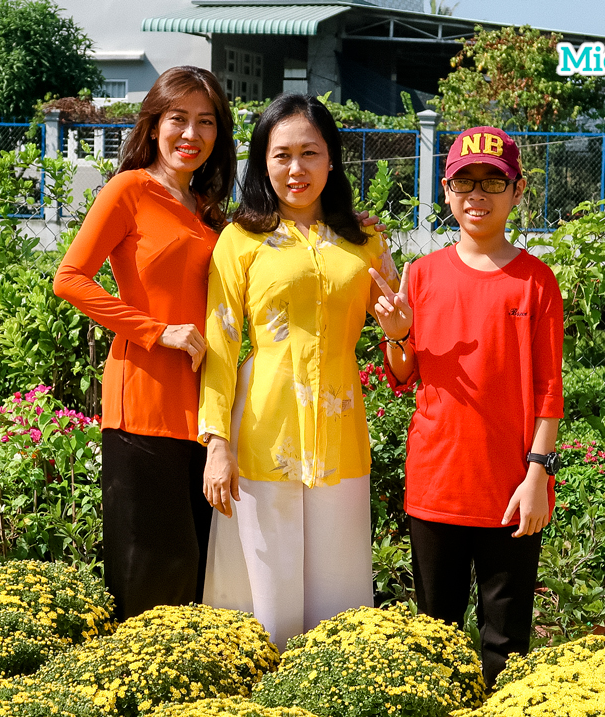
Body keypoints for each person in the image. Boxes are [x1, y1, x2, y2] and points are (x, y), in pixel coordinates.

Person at [197, 94, 400, 649]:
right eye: (281, 154)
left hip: (341, 438)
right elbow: (220, 342)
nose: (296, 169)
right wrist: (217, 444)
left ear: (332, 159)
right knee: (266, 603)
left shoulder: (366, 241)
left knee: (340, 605)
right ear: (262, 161)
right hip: (264, 434)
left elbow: (401, 338)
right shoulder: (240, 240)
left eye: (310, 153)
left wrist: (401, 331)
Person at [373, 126, 564, 687]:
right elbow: (404, 376)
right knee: (437, 637)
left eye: (492, 182)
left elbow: (549, 391)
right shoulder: (423, 274)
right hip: (437, 483)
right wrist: (398, 333)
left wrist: (537, 476)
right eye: (464, 182)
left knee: (507, 641)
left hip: (510, 487)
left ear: (517, 191)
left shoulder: (535, 281)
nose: (476, 195)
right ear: (447, 190)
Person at [53, 65, 235, 621]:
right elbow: (70, 278)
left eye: (206, 123)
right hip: (143, 401)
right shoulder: (129, 190)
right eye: (178, 119)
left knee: (197, 566)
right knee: (151, 566)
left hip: (203, 411)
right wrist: (158, 332)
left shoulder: (208, 212)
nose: (191, 134)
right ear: (154, 124)